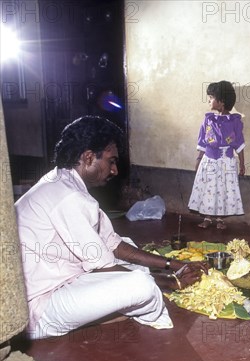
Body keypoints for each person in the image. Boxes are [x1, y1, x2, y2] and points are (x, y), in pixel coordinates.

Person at [15, 116, 206, 339]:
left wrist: (173, 264)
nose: (114, 170)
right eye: (111, 161)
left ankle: (105, 310)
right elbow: (103, 267)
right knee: (141, 285)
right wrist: (171, 282)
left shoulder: (61, 180)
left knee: (131, 250)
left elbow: (113, 243)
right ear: (88, 158)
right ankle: (100, 314)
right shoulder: (69, 197)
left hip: (58, 279)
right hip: (39, 306)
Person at [188, 80, 245, 230]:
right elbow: (202, 141)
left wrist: (242, 164)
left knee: (223, 189)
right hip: (209, 161)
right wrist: (198, 159)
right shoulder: (208, 120)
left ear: (221, 102)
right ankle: (207, 217)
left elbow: (239, 143)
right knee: (209, 189)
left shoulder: (234, 121)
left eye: (211, 97)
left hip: (227, 163)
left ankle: (220, 218)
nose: (209, 101)